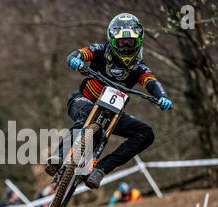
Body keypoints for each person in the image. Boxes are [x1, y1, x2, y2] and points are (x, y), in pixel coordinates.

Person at [45, 13, 172, 189]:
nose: (126, 47)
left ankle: (100, 170)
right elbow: (80, 53)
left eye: (130, 42)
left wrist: (162, 97)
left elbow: (151, 83)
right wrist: (75, 59)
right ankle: (59, 156)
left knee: (146, 134)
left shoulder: (139, 67)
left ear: (139, 42)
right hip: (83, 100)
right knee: (87, 114)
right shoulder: (100, 50)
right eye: (121, 42)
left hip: (112, 113)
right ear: (113, 41)